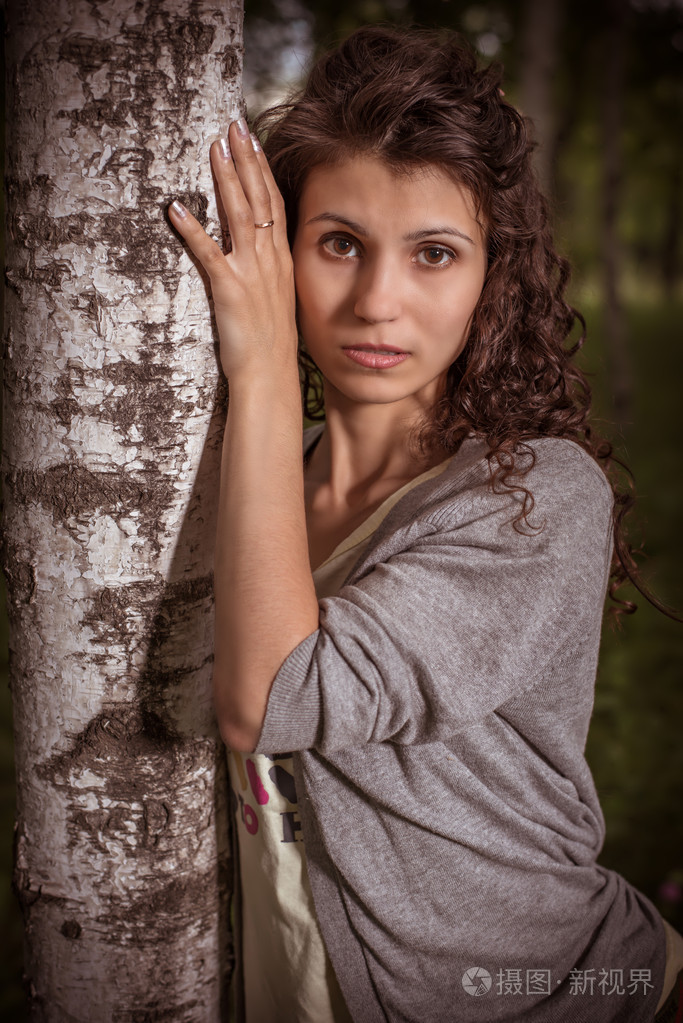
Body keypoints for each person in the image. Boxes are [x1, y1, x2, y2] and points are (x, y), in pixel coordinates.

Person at [168, 25, 683, 1023]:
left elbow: (271, 698)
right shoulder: (267, 479)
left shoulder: (535, 498)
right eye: (339, 244)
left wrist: (266, 364)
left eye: (433, 254)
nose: (376, 302)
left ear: (492, 275)